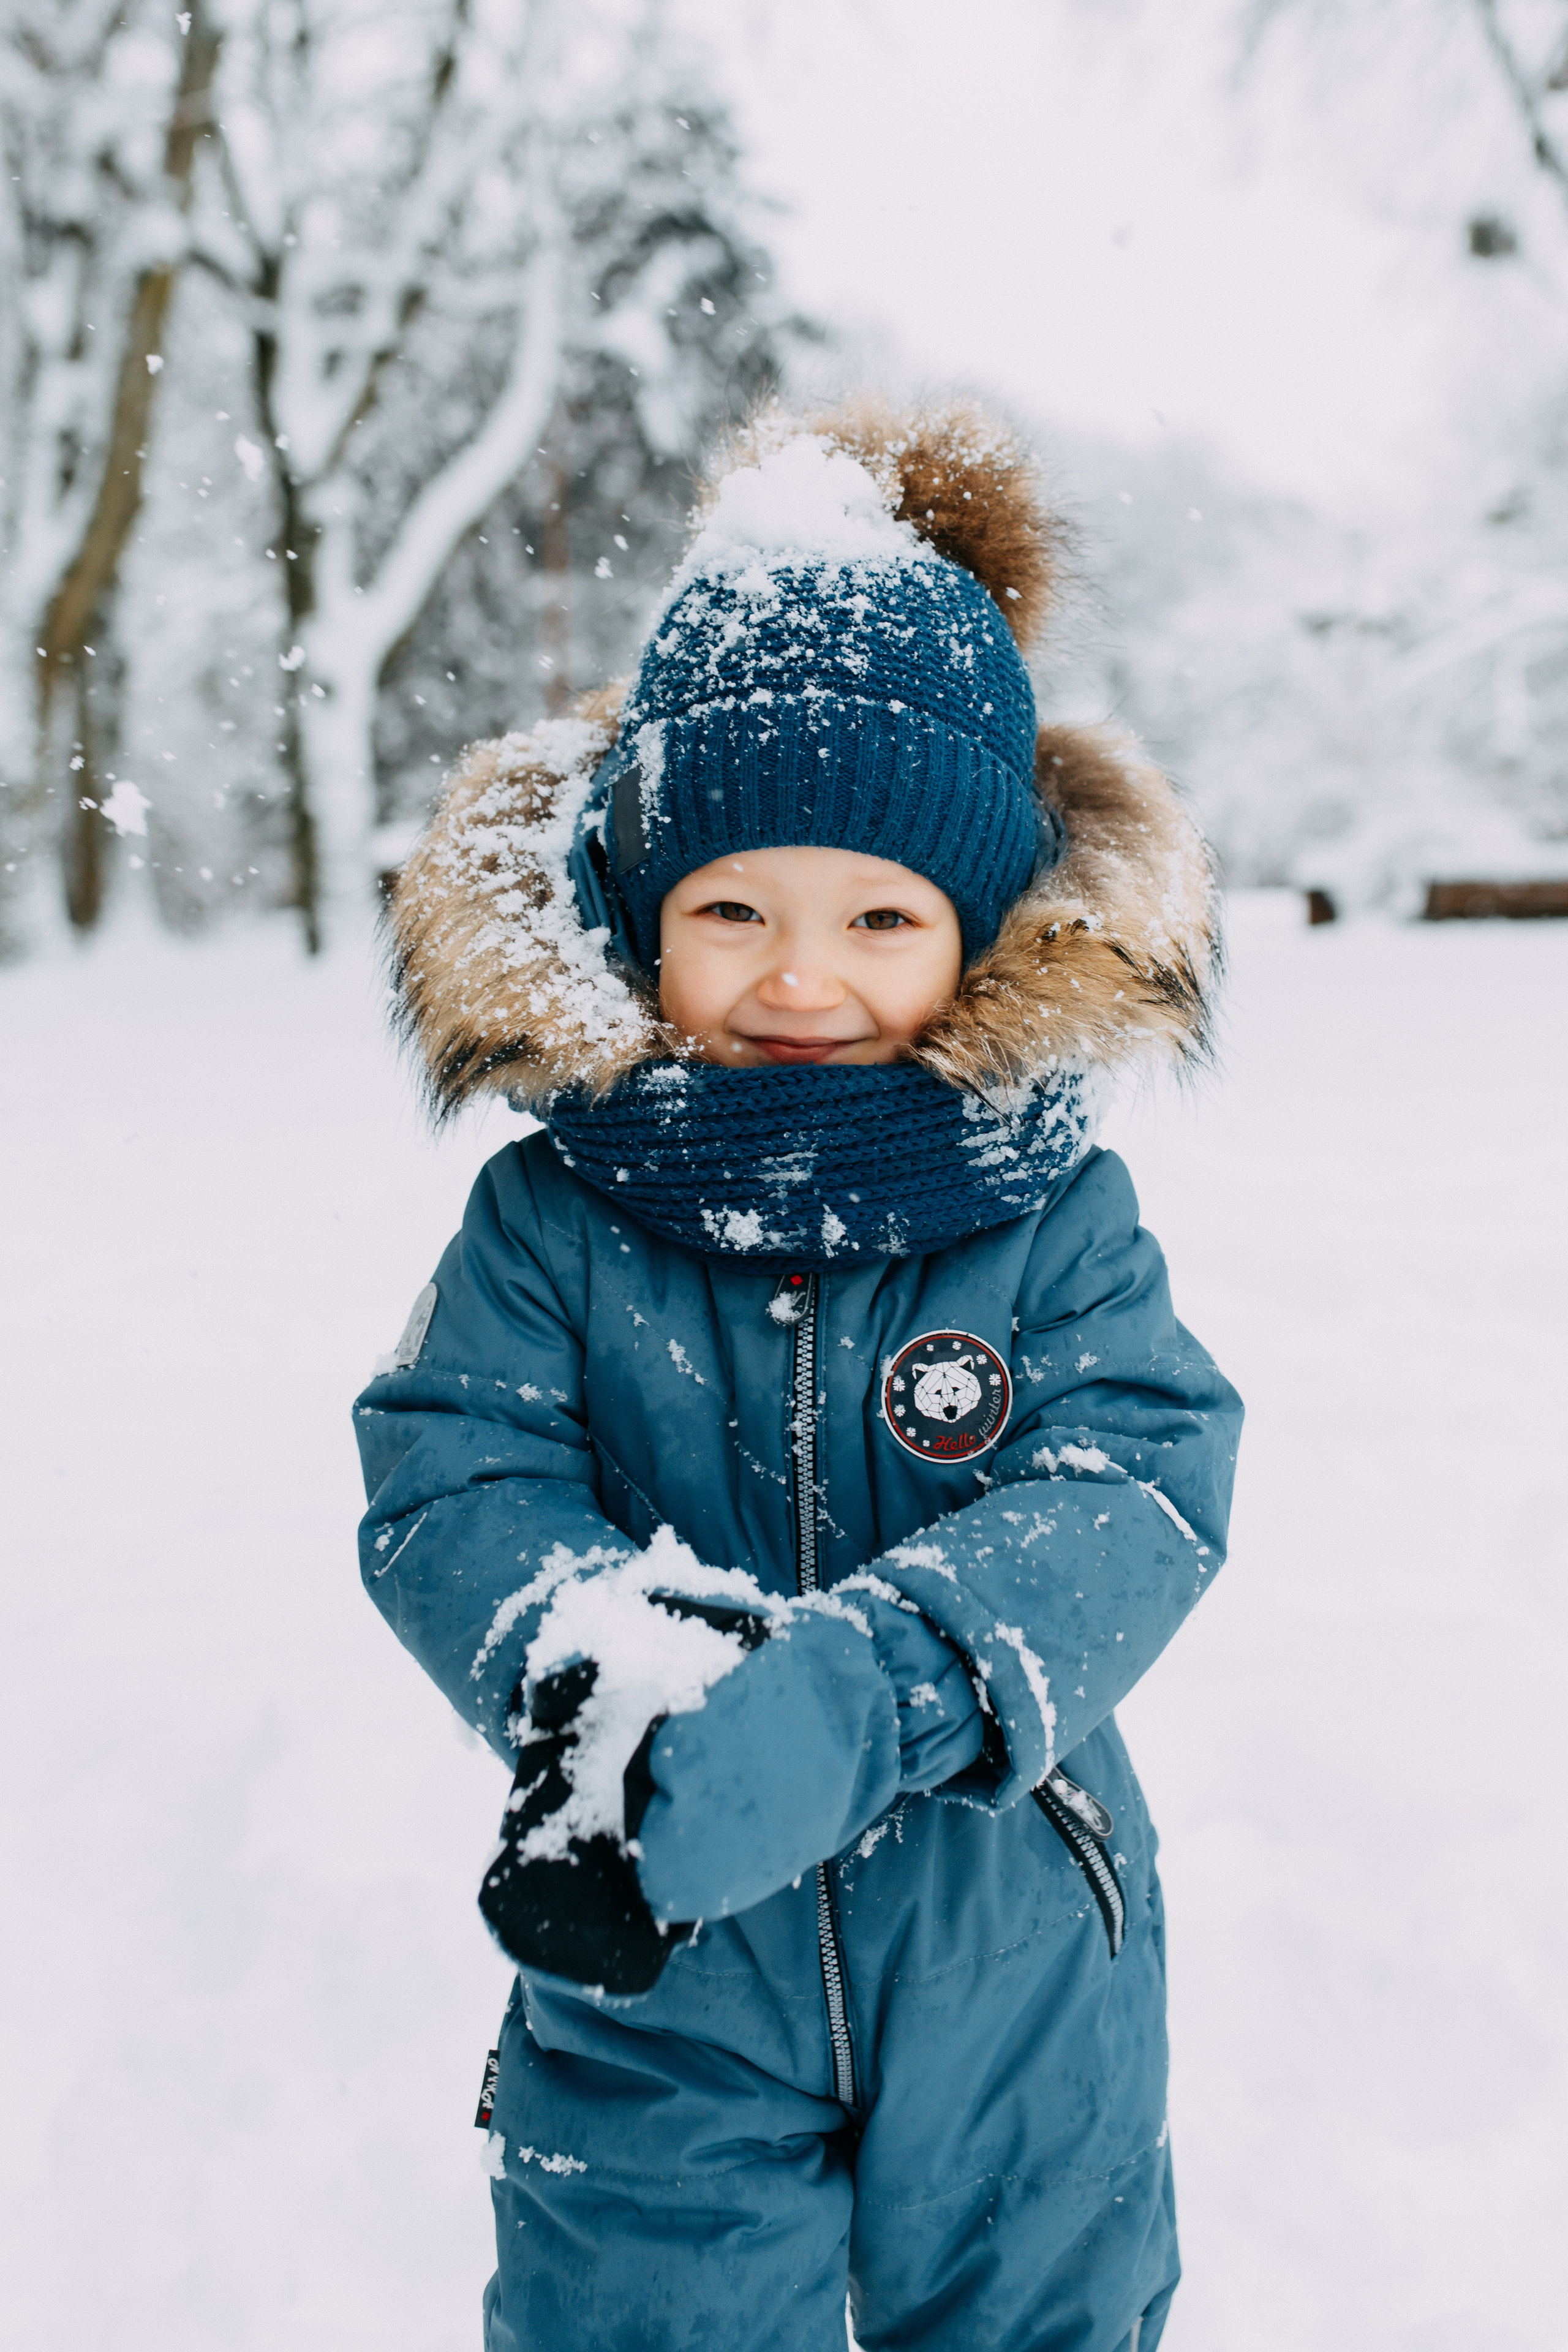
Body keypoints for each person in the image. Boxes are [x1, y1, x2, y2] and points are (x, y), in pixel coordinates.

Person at [355, 400, 1243, 2352]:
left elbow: (1142, 1477)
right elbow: (450, 1472)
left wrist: (879, 1689)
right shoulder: (553, 1219)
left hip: (1012, 1933)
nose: (801, 976)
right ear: (637, 912)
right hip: (659, 1931)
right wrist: (599, 1668)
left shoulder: (1047, 1212)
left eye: (883, 919)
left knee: (1033, 2317)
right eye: (731, 909)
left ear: (980, 929)